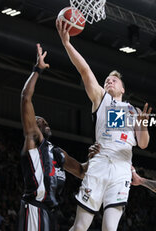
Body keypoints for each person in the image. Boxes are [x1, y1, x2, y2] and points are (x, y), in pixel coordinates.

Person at [56, 20, 151, 231]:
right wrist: (67, 44)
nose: (109, 82)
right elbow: (85, 70)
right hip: (100, 163)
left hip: (122, 168)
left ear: (123, 89)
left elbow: (143, 144)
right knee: (81, 226)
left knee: (110, 228)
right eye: (107, 80)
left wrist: (143, 126)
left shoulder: (134, 111)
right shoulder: (101, 99)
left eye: (114, 80)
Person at [19, 43, 100, 231]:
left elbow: (81, 171)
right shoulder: (33, 141)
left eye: (46, 122)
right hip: (34, 207)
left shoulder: (57, 152)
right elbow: (25, 97)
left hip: (50, 212)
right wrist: (37, 69)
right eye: (40, 121)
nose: (45, 123)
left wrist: (94, 157)